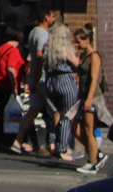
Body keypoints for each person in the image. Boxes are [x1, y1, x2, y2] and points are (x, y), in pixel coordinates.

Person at [11, 5, 57, 155]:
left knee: (32, 111)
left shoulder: (33, 32)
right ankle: (55, 145)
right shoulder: (43, 34)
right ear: (46, 17)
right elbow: (39, 56)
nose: (54, 18)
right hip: (42, 79)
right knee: (55, 111)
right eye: (52, 15)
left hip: (35, 78)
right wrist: (37, 79)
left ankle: (18, 141)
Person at [41, 21, 80, 163]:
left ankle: (52, 143)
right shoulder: (66, 49)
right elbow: (77, 64)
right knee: (66, 116)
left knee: (54, 114)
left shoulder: (48, 49)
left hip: (51, 83)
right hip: (65, 82)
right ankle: (63, 148)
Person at [73, 25, 108, 175]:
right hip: (82, 97)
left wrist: (88, 99)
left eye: (79, 42)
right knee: (74, 127)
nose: (77, 45)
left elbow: (94, 79)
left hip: (92, 97)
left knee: (89, 130)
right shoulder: (83, 57)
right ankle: (97, 154)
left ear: (88, 40)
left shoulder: (94, 57)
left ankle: (93, 162)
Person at [0, 25, 25, 149]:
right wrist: (15, 87)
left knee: (0, 112)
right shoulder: (13, 51)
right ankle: (2, 140)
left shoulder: (1, 48)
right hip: (6, 86)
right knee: (5, 115)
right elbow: (11, 69)